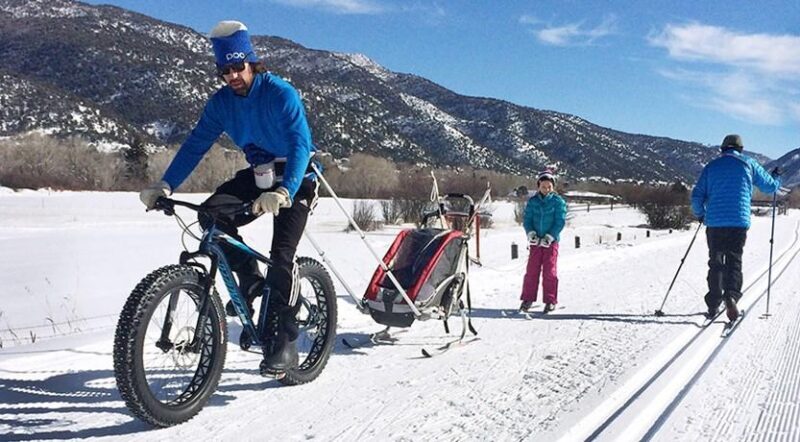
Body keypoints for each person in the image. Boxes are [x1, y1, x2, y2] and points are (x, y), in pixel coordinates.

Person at [139, 20, 318, 377]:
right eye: (225, 70)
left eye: (239, 67)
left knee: (283, 254)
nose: (233, 75)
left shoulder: (280, 93)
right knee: (210, 216)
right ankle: (251, 281)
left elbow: (300, 144)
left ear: (252, 63)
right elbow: (196, 144)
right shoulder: (221, 103)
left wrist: (285, 190)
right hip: (260, 173)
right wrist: (166, 185)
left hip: (297, 177)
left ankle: (284, 339)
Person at [691, 134, 781, 321]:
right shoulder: (748, 163)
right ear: (740, 149)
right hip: (737, 221)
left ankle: (714, 303)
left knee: (715, 262)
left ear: (723, 149)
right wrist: (776, 177)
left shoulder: (711, 166)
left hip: (715, 222)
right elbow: (769, 187)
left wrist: (700, 214)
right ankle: (731, 296)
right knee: (734, 260)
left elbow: (697, 195)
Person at [519, 170, 567, 314]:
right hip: (535, 242)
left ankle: (550, 300)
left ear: (553, 187)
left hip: (550, 242)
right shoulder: (533, 202)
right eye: (543, 186)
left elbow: (560, 221)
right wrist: (531, 233)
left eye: (549, 187)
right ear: (539, 185)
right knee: (531, 271)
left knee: (549, 272)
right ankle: (528, 298)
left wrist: (550, 236)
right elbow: (527, 220)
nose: (546, 189)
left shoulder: (558, 202)